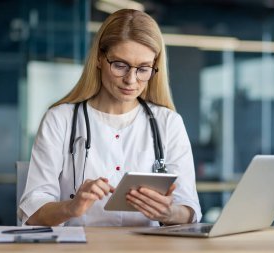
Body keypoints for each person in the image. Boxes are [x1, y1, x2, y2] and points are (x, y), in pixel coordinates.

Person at [18, 8, 202, 226]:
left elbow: (190, 210)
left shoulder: (168, 123)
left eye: (143, 69)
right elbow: (32, 212)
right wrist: (70, 207)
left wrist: (169, 213)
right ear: (98, 59)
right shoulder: (60, 120)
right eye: (120, 65)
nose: (131, 80)